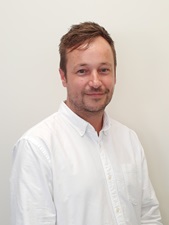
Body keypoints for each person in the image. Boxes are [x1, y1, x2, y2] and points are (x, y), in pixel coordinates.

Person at [10, 22, 162, 225]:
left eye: (104, 69)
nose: (96, 81)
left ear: (115, 74)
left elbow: (148, 216)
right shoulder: (36, 147)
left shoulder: (129, 139)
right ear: (63, 77)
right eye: (82, 71)